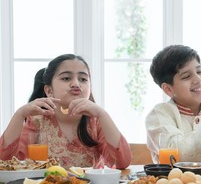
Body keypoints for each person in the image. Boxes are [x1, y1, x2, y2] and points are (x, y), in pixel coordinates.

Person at [0, 54, 131, 169]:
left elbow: (121, 163)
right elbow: (5, 160)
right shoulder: (37, 121)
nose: (76, 84)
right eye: (66, 78)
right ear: (49, 91)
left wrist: (103, 114)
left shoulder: (95, 122)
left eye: (83, 79)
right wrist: (19, 114)